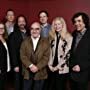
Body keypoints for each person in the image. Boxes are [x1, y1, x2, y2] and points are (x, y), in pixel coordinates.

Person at [20, 22, 50, 90]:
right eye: (32, 29)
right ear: (30, 30)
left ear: (40, 30)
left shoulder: (46, 42)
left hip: (40, 72)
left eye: (37, 29)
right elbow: (23, 55)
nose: (34, 31)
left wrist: (37, 67)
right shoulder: (25, 41)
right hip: (27, 72)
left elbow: (46, 57)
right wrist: (31, 65)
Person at [48, 17, 73, 90]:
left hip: (62, 67)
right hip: (52, 66)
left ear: (63, 25)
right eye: (55, 24)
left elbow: (67, 54)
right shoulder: (52, 36)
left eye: (59, 24)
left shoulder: (69, 37)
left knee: (60, 87)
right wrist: (49, 65)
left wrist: (57, 67)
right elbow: (49, 51)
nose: (57, 26)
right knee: (51, 87)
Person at [69, 12, 90, 90]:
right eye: (75, 22)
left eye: (79, 21)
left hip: (84, 73)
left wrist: (81, 66)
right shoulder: (74, 33)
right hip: (72, 72)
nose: (76, 23)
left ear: (85, 21)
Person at [8, 15, 29, 90]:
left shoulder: (29, 33)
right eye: (19, 21)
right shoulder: (13, 35)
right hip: (18, 64)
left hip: (28, 64)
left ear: (25, 22)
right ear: (17, 23)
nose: (21, 23)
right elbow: (12, 51)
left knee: (26, 83)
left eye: (23, 21)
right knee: (18, 83)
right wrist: (15, 65)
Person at [0, 23, 10, 90]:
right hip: (0, 68)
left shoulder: (5, 39)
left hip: (5, 67)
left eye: (2, 28)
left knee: (3, 86)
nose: (1, 29)